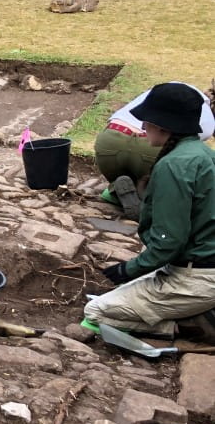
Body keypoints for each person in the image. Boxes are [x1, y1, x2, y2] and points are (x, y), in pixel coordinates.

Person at [84, 82, 215, 341]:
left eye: (147, 122)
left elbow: (170, 240)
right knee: (122, 292)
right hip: (201, 262)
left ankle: (188, 327)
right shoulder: (202, 153)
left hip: (197, 276)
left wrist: (129, 269)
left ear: (164, 126)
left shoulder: (174, 166)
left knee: (96, 310)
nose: (142, 127)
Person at [95, 81, 213, 219]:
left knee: (128, 170)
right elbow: (188, 149)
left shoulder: (165, 91)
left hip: (109, 141)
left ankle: (118, 189)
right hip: (149, 147)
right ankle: (150, 202)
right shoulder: (199, 109)